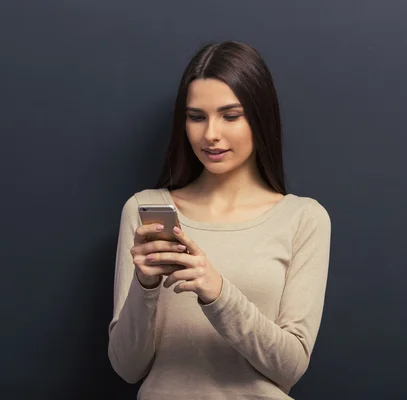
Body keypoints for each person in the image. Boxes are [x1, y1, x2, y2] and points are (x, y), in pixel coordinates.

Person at [107, 41, 332, 400]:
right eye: (197, 117)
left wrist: (218, 292)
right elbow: (126, 366)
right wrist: (146, 285)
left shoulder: (303, 218)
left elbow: (290, 367)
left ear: (259, 118)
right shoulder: (144, 209)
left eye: (230, 115)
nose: (210, 134)